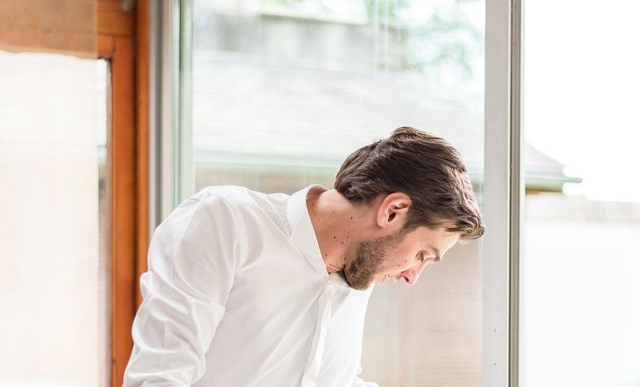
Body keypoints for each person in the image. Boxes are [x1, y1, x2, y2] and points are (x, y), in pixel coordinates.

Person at [123, 126, 485, 387]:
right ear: (392, 211)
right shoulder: (224, 221)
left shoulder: (357, 272)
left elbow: (333, 379)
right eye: (423, 254)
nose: (411, 276)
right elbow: (158, 378)